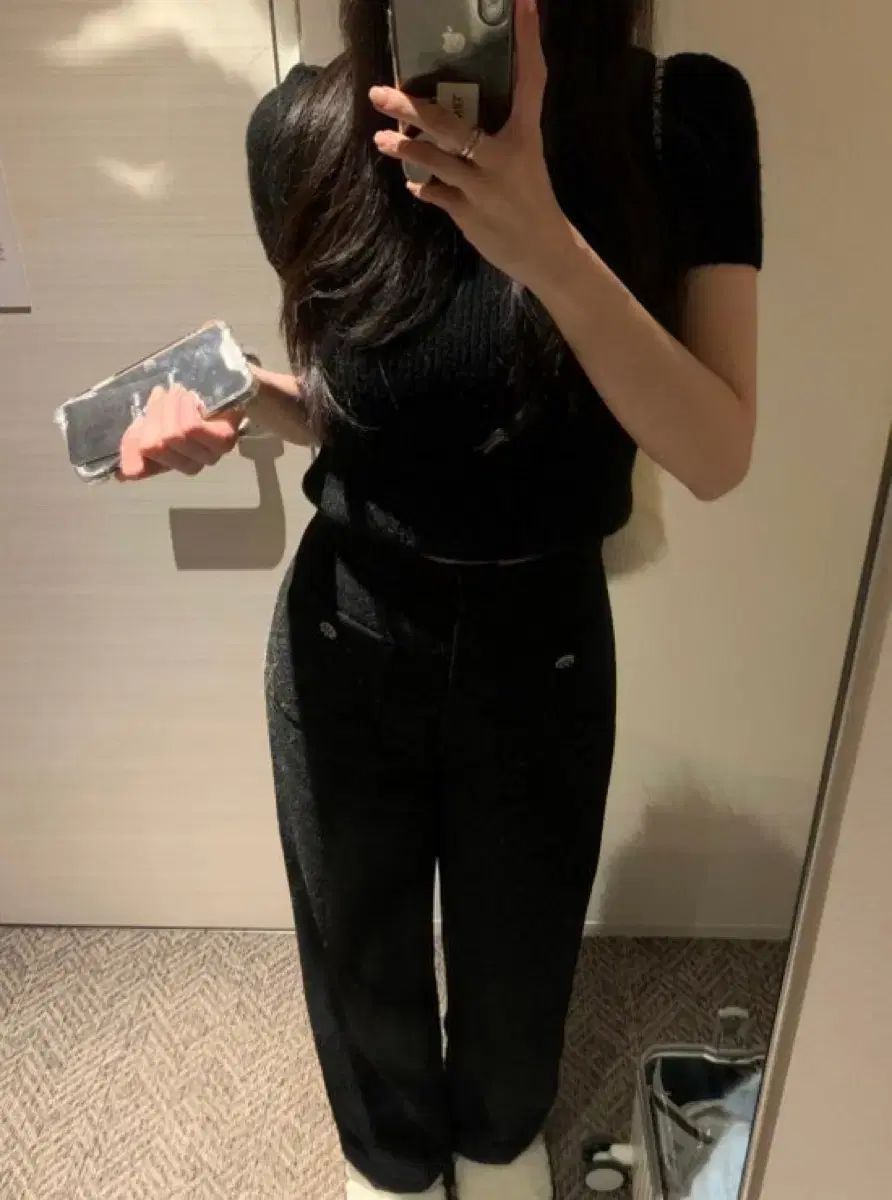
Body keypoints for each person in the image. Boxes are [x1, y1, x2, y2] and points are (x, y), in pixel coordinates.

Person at [118, 1, 763, 1196]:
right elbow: (368, 424)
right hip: (346, 629)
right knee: (360, 971)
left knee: (519, 976)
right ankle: (393, 1170)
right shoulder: (300, 132)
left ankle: (495, 1152)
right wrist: (243, 400)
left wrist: (546, 245)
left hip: (542, 642)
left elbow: (715, 451)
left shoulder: (677, 118)